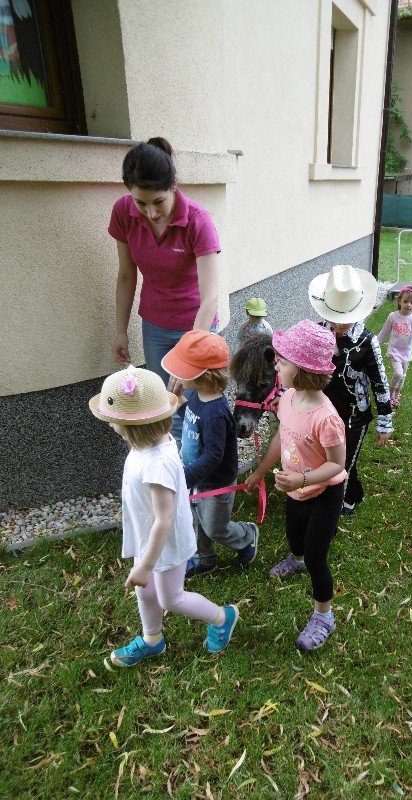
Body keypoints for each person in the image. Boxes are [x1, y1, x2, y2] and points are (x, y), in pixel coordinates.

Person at [88, 366, 239, 666]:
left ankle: (222, 617)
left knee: (172, 598)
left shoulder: (156, 464)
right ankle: (152, 639)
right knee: (146, 593)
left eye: (113, 420)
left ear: (132, 426)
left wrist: (145, 565)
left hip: (166, 543)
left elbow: (164, 519)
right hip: (149, 536)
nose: (111, 425)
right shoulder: (150, 442)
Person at [109, 137, 221, 441]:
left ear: (173, 186)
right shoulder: (123, 213)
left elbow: (210, 297)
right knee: (165, 408)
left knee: (198, 411)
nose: (151, 212)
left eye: (158, 202)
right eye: (140, 203)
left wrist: (188, 354)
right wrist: (120, 331)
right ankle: (175, 469)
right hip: (155, 327)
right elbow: (126, 275)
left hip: (197, 326)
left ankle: (208, 468)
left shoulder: (198, 220)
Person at [246, 321, 346, 651]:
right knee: (294, 534)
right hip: (295, 489)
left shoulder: (326, 418)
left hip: (324, 492)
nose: (276, 366)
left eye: (282, 362)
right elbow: (281, 437)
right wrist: (261, 471)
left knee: (317, 556)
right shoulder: (288, 398)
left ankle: (324, 616)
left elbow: (337, 464)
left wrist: (301, 478)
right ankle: (296, 558)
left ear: (303, 371)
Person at [161, 330, 259, 577]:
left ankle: (246, 536)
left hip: (215, 483)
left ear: (203, 375)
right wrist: (179, 399)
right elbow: (193, 421)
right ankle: (204, 559)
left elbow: (213, 456)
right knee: (195, 520)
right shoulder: (198, 397)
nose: (177, 375)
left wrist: (185, 477)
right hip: (197, 477)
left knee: (215, 527)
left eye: (183, 370)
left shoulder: (215, 413)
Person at [309, 264, 393, 517]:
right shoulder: (317, 332)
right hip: (323, 410)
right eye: (334, 316)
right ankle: (353, 493)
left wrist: (385, 420)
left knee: (343, 461)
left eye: (346, 318)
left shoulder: (367, 341)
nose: (339, 324)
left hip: (354, 414)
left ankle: (334, 507)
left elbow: (379, 381)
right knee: (329, 456)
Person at [377, 285, 412, 407]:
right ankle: (389, 394)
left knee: (403, 376)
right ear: (399, 301)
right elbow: (384, 332)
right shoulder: (393, 316)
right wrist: (376, 345)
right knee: (398, 373)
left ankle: (396, 395)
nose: (408, 305)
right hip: (394, 351)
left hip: (406, 352)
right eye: (405, 301)